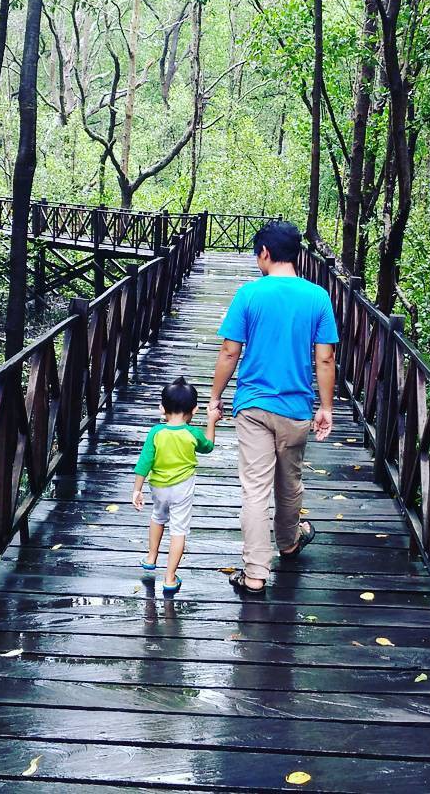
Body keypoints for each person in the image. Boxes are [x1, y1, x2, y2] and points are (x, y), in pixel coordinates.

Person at [208, 220, 338, 594]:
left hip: (252, 406)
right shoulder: (318, 297)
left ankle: (254, 575)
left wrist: (216, 397)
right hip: (296, 407)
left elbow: (230, 351)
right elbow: (325, 360)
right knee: (289, 482)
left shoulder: (249, 295)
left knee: (254, 490)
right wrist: (325, 407)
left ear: (264, 253)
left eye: (257, 255)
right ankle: (289, 543)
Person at [131, 376, 217, 597]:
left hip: (158, 487)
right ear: (194, 410)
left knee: (157, 516)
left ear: (162, 408)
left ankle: (151, 557)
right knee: (178, 530)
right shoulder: (192, 433)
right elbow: (208, 447)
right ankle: (169, 579)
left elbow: (144, 463)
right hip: (183, 488)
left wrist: (137, 490)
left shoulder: (156, 433)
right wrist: (212, 421)